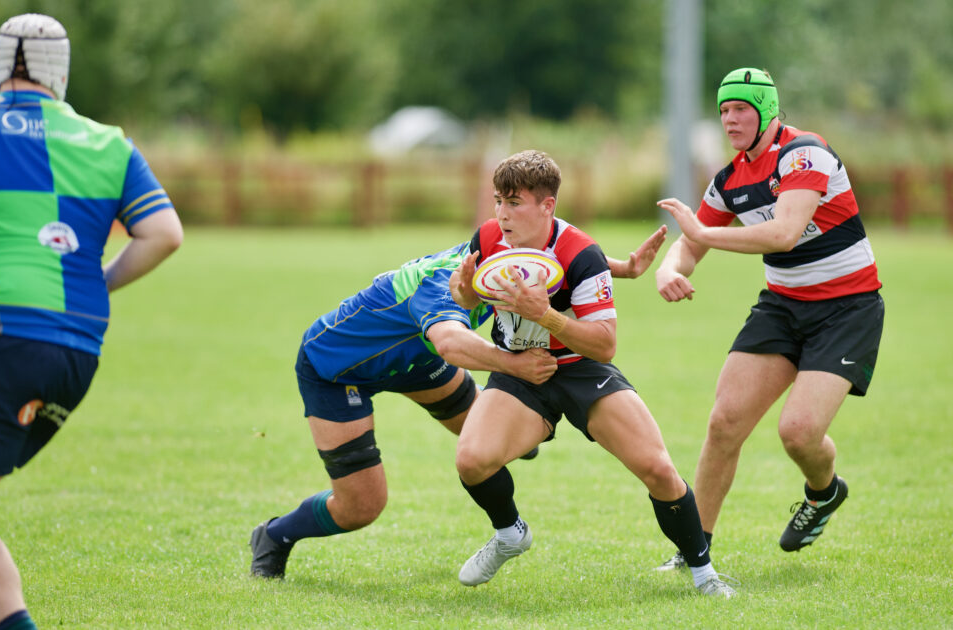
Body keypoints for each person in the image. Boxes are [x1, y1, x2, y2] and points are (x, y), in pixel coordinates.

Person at [0, 14, 183, 630]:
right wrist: (98, 281)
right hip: (76, 352)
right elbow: (164, 234)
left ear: (0, 66)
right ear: (60, 72)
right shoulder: (110, 142)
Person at [248, 223, 670, 580]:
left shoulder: (492, 258)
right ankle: (276, 534)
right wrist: (514, 365)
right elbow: (450, 342)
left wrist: (624, 269)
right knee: (363, 505)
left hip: (418, 359)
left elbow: (562, 264)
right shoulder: (442, 287)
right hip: (337, 372)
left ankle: (508, 513)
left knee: (495, 442)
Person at [448, 150, 735, 597]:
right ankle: (509, 533)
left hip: (582, 370)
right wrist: (465, 293)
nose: (502, 214)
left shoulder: (580, 254)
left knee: (657, 469)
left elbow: (605, 343)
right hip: (520, 372)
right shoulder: (487, 238)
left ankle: (704, 574)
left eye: (514, 203)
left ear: (548, 206)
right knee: (471, 460)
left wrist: (546, 316)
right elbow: (469, 300)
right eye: (498, 201)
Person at [652, 67, 884, 570]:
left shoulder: (804, 152)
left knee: (798, 432)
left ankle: (824, 493)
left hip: (847, 308)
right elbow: (689, 244)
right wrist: (668, 269)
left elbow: (783, 233)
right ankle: (695, 549)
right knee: (724, 424)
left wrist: (704, 236)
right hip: (782, 307)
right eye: (723, 112)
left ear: (766, 110)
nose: (730, 120)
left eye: (740, 109)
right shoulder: (730, 178)